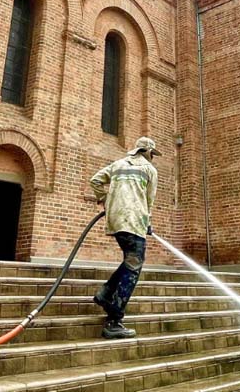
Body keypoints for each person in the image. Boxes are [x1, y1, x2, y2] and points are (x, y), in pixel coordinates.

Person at [89, 136, 159, 339]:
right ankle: (114, 320)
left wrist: (105, 199)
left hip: (116, 219)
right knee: (135, 265)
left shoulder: (117, 164)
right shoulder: (149, 170)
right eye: (152, 154)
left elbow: (95, 181)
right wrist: (147, 223)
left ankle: (105, 294)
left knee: (131, 261)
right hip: (134, 220)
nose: (153, 157)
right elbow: (149, 201)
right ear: (148, 152)